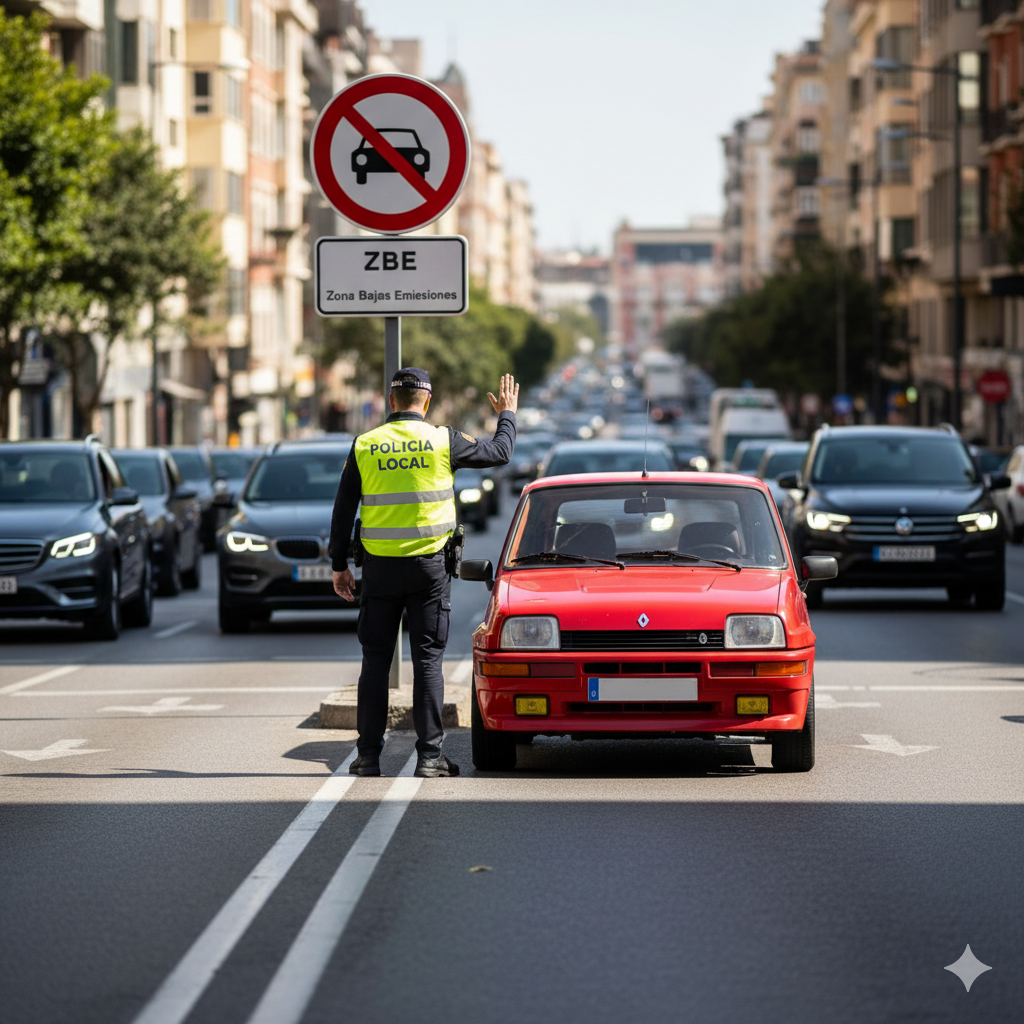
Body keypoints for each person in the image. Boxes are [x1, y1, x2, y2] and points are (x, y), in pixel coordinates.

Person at [330, 368, 518, 777]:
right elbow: (500, 452)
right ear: (427, 402)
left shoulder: (365, 444)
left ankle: (368, 757)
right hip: (429, 570)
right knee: (428, 661)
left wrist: (338, 564)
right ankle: (430, 758)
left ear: (390, 401)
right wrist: (507, 413)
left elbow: (343, 510)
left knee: (375, 661)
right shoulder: (443, 440)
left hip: (379, 570)